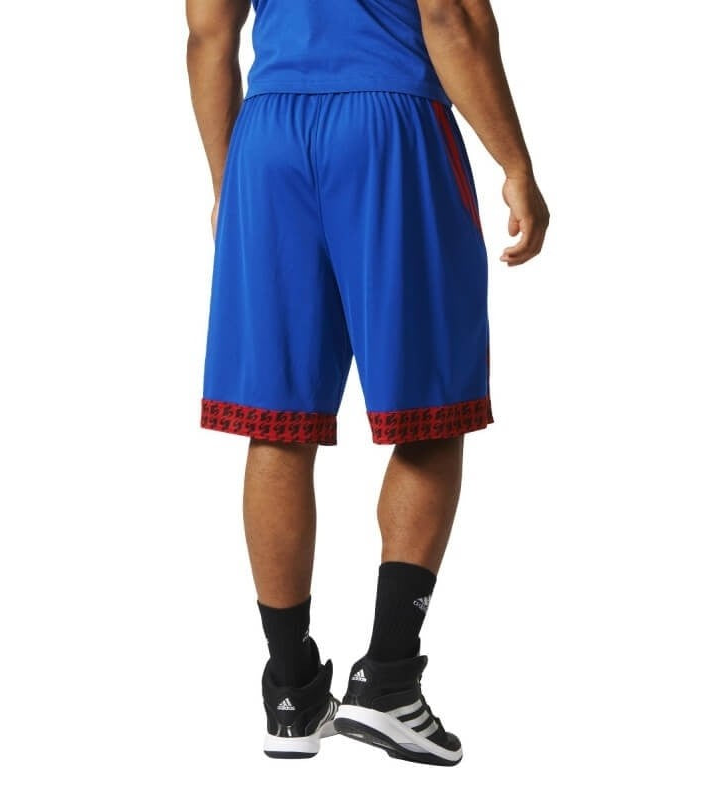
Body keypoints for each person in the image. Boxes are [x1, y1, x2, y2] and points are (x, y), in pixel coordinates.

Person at [187, 0, 549, 766]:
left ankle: (291, 691)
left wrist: (230, 180)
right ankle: (387, 682)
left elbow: (208, 34)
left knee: (278, 421)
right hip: (391, 125)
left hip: (268, 136)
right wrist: (516, 165)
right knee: (431, 410)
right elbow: (449, 16)